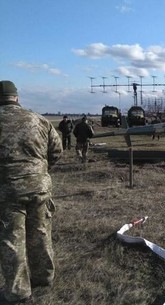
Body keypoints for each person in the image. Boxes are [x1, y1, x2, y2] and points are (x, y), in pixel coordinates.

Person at [0, 80, 63, 304]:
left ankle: (18, 291)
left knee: (11, 238)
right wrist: (39, 172)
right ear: (16, 97)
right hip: (39, 186)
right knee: (40, 232)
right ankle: (44, 276)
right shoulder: (39, 119)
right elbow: (56, 151)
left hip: (7, 190)